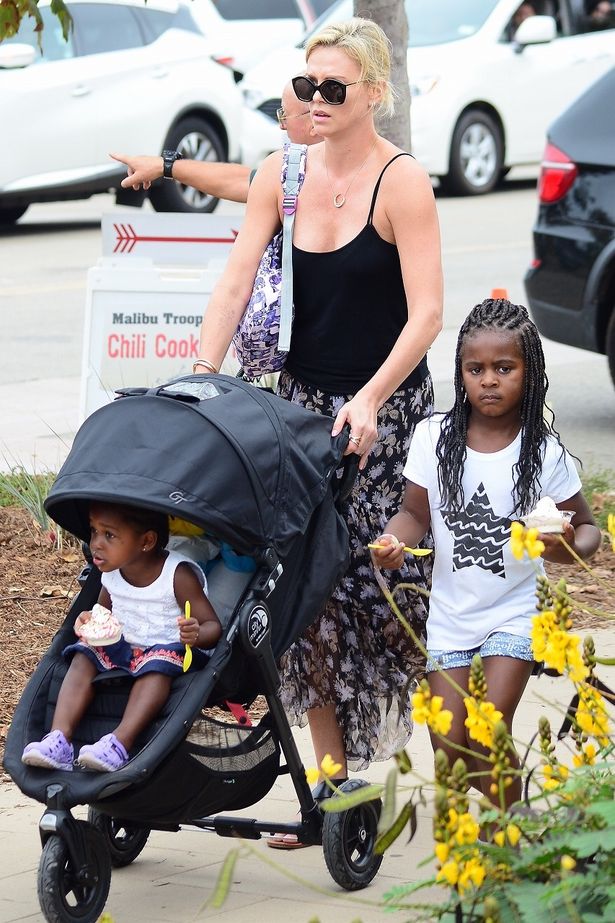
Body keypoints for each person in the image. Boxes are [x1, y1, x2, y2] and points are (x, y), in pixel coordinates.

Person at [193, 16, 443, 843]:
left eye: (334, 87)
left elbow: (427, 312)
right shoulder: (283, 175)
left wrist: (371, 397)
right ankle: (331, 793)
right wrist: (199, 374)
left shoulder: (399, 181)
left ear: (373, 91)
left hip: (387, 408)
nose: (316, 99)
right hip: (303, 408)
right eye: (306, 85)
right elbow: (235, 281)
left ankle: (451, 760)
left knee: (375, 594)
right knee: (303, 596)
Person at [371, 298, 601, 808]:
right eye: (475, 369)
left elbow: (588, 531)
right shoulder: (433, 438)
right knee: (451, 748)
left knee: (488, 732)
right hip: (451, 616)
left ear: (530, 372)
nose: (489, 380)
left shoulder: (542, 452)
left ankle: (508, 846)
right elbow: (414, 514)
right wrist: (394, 540)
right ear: (460, 372)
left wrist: (559, 546)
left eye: (504, 368)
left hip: (515, 613)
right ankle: (497, 831)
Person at [22, 501, 221, 772]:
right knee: (84, 653)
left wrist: (196, 633)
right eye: (93, 532)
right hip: (125, 646)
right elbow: (104, 613)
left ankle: (119, 744)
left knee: (156, 668)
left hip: (169, 650)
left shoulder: (177, 574)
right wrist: (90, 621)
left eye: (109, 535)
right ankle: (59, 740)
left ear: (147, 541)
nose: (96, 543)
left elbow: (213, 626)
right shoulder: (112, 571)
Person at [110, 82, 320, 203]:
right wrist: (164, 166)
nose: (282, 126)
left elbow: (243, 183)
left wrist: (165, 166)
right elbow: (248, 180)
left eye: (284, 116)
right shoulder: (297, 169)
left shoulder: (318, 173)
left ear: (315, 119)